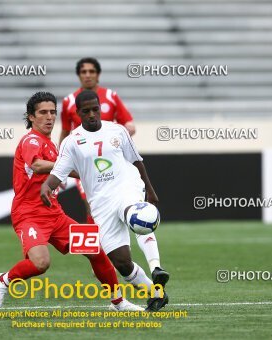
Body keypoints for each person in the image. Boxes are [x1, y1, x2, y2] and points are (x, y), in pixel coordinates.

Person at [0, 92, 142, 311]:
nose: (49, 117)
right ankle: (4, 280)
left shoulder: (53, 147)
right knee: (41, 263)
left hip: (54, 215)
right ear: (31, 117)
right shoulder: (31, 140)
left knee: (96, 251)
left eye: (52, 112)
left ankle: (118, 302)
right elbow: (38, 165)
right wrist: (65, 168)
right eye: (43, 112)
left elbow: (72, 171)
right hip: (29, 215)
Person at [41, 90, 169, 311]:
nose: (92, 114)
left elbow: (136, 161)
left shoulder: (117, 130)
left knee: (137, 216)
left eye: (95, 109)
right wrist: (46, 186)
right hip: (101, 203)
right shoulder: (71, 142)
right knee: (122, 262)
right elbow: (59, 173)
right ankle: (156, 294)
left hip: (126, 187)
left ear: (100, 108)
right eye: (86, 111)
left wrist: (150, 189)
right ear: (78, 112)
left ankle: (156, 267)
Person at [60, 57, 168, 288]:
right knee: (92, 211)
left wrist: (120, 133)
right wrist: (59, 160)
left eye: (91, 71)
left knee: (133, 213)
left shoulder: (111, 97)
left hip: (113, 165)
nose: (87, 75)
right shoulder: (68, 101)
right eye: (83, 71)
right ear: (78, 75)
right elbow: (64, 131)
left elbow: (130, 124)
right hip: (85, 163)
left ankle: (147, 265)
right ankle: (99, 259)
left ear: (98, 75)